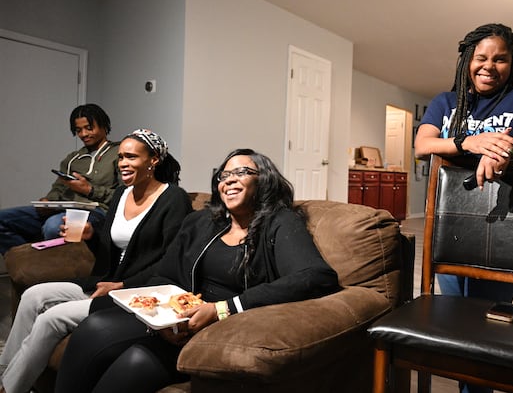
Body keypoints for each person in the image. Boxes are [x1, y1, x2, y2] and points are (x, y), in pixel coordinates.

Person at [54, 148, 340, 393]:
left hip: (228, 324)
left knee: (136, 361)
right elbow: (164, 275)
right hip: (178, 318)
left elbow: (316, 276)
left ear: (264, 181)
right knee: (93, 326)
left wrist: (222, 309)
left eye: (241, 172)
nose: (229, 181)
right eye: (223, 176)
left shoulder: (280, 222)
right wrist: (166, 322)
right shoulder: (203, 222)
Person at [414, 23, 513, 393]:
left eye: (500, 59)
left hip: (506, 224)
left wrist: (505, 148)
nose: (489, 66)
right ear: (467, 60)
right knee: (452, 318)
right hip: (449, 224)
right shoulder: (445, 103)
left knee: (490, 322)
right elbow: (423, 143)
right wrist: (473, 142)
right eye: (481, 57)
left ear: (512, 64)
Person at [0, 129, 193, 393]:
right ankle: (5, 373)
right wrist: (91, 235)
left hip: (136, 292)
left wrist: (122, 285)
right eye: (121, 157)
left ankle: (11, 389)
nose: (123, 163)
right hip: (104, 281)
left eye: (131, 157)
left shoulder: (173, 199)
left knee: (51, 318)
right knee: (33, 295)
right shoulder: (121, 194)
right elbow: (110, 244)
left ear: (153, 160)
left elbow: (171, 260)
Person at [0, 104, 120, 256]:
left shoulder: (119, 154)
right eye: (78, 130)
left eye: (89, 128)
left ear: (103, 125)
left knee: (53, 226)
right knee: (2, 219)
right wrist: (47, 201)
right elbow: (58, 189)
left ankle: (51, 268)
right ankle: (32, 260)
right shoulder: (72, 159)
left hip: (97, 211)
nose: (84, 134)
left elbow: (123, 196)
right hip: (62, 209)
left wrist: (89, 190)